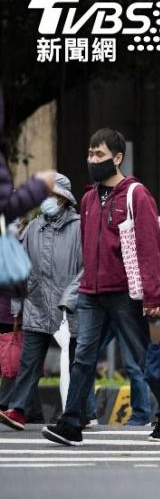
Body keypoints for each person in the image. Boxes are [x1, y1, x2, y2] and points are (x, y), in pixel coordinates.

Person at [42, 129, 160, 446]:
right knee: (83, 356)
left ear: (117, 158)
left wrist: (153, 295)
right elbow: (88, 247)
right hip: (91, 292)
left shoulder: (136, 195)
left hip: (123, 293)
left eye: (99, 154)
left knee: (142, 356)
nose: (92, 160)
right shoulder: (88, 198)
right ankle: (71, 423)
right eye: (90, 154)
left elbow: (148, 248)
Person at [0, 174, 82, 431]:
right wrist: (17, 305)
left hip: (67, 308)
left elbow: (87, 267)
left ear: (64, 200)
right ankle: (19, 410)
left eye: (53, 196)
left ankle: (81, 411)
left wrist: (71, 297)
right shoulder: (33, 228)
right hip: (35, 304)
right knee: (29, 362)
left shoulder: (80, 227)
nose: (47, 201)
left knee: (74, 364)